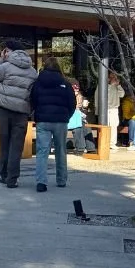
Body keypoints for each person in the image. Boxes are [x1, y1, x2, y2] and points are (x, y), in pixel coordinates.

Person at [0, 41, 37, 189]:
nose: (5, 53)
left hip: (4, 109)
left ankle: (4, 174)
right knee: (17, 146)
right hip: (22, 112)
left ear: (11, 51)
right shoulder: (32, 71)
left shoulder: (6, 66)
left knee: (5, 143)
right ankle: (12, 179)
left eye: (6, 51)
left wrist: (0, 59)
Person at [30, 56, 77, 192]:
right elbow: (72, 103)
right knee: (61, 151)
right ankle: (61, 180)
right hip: (60, 121)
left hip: (43, 120)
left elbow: (33, 100)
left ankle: (41, 182)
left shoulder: (38, 82)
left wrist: (37, 114)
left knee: (42, 152)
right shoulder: (65, 83)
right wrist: (66, 116)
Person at [68, 81, 87, 155]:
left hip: (76, 118)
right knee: (78, 128)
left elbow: (82, 109)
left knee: (79, 128)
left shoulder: (80, 96)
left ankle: (81, 148)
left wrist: (83, 107)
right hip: (68, 118)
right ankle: (81, 148)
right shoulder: (67, 95)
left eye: (77, 89)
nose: (76, 91)